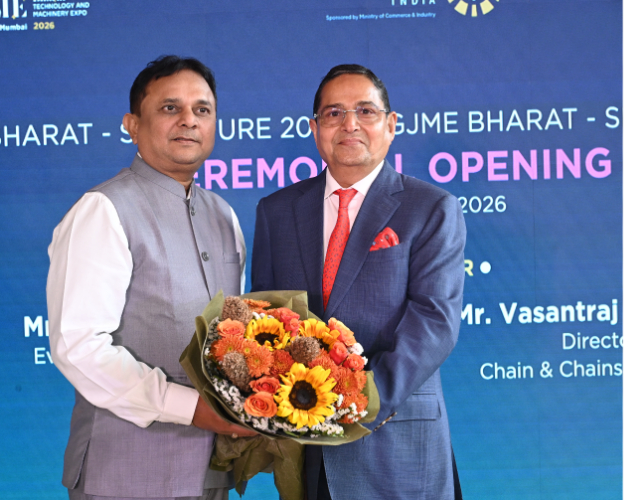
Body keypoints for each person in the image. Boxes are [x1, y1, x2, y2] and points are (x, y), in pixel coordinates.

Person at [251, 64, 466, 500]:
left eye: (365, 111)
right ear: (315, 129)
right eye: (334, 113)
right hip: (307, 449)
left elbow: (434, 322)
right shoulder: (276, 211)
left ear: (391, 125)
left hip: (395, 441)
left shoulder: (430, 208)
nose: (349, 124)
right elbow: (265, 322)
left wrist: (359, 402)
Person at [46, 55, 256, 500]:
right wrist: (190, 408)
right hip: (124, 475)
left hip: (213, 471)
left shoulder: (224, 215)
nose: (189, 120)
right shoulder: (103, 210)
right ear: (132, 125)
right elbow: (79, 346)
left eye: (202, 110)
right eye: (169, 108)